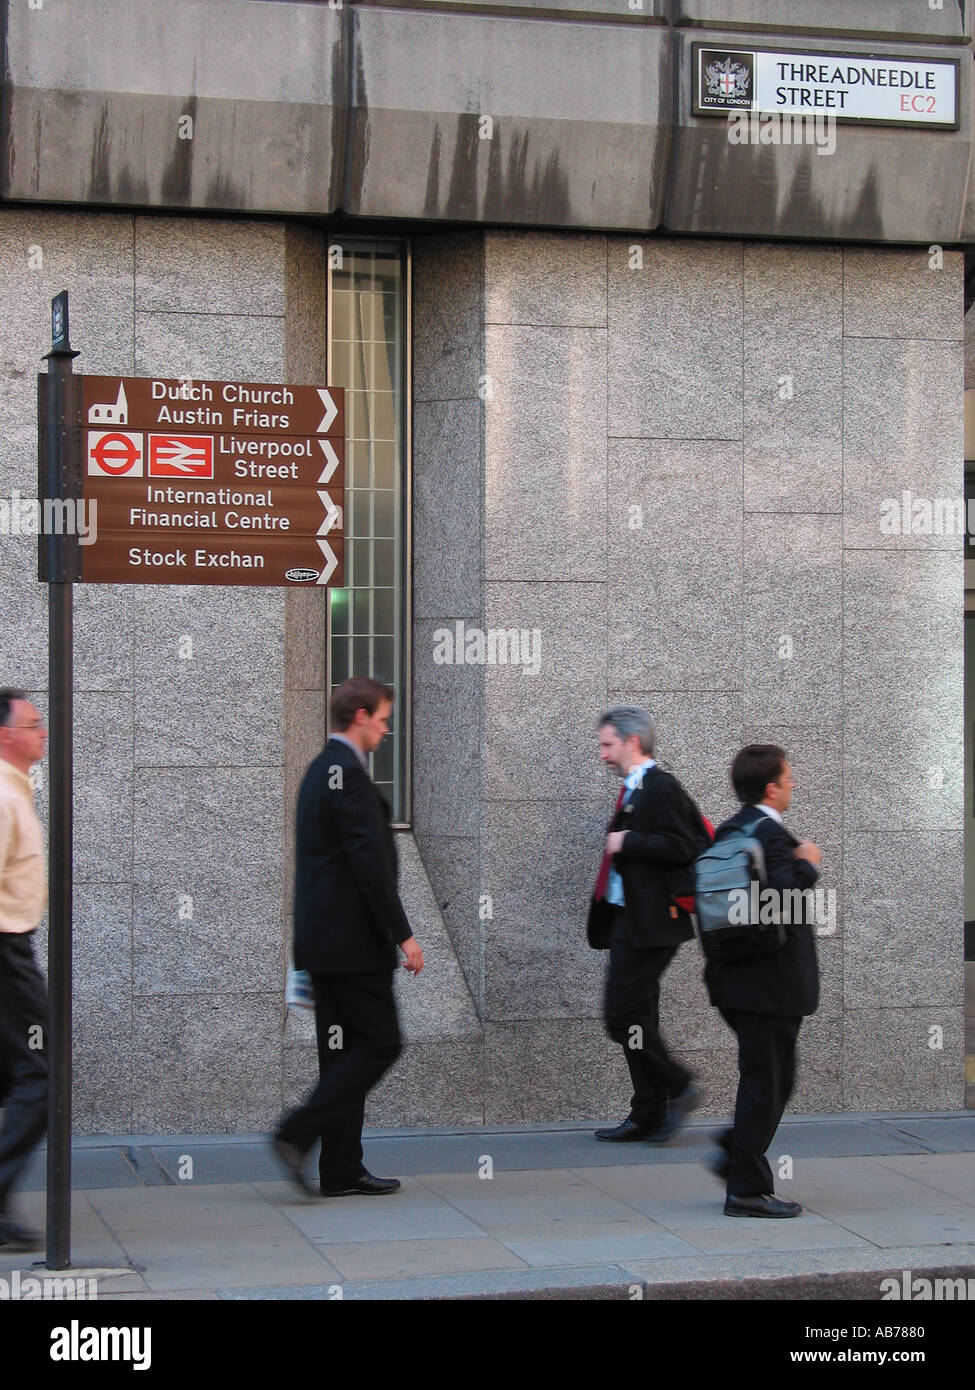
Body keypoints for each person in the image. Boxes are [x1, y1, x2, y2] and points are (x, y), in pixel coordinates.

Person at [272, 677, 423, 1197]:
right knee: (381, 1043)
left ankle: (340, 1168)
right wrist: (403, 935)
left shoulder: (319, 772)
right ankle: (297, 1132)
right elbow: (370, 868)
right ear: (358, 715)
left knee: (342, 1053)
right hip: (353, 947)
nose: (385, 728)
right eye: (382, 718)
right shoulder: (347, 778)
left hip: (323, 944)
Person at [704, 744, 821, 1218]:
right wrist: (808, 864)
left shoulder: (731, 831)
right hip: (769, 985)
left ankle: (737, 1151)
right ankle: (746, 1189)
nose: (793, 784)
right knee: (765, 1081)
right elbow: (778, 903)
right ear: (771, 787)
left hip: (736, 980)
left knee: (773, 1078)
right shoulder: (770, 836)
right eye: (789, 777)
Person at [587, 707, 703, 1143]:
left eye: (607, 745)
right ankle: (648, 1112)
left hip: (651, 925)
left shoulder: (660, 787)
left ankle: (678, 1085)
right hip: (628, 921)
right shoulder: (634, 789)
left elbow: (685, 845)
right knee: (639, 1020)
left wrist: (628, 841)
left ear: (632, 742)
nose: (602, 755)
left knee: (621, 1017)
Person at [0, 687, 49, 1251]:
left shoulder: (18, 789)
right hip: (7, 951)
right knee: (42, 1070)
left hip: (15, 946)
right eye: (33, 724)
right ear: (6, 735)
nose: (43, 731)